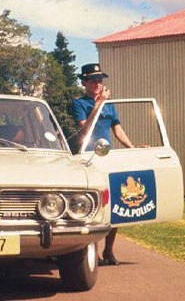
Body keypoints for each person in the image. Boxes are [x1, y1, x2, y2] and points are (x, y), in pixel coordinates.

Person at [71, 63, 134, 266]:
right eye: (93, 80)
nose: (98, 84)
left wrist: (132, 147)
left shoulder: (110, 105)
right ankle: (92, 250)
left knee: (114, 205)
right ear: (84, 83)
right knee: (95, 205)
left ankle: (109, 250)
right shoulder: (79, 103)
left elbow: (118, 130)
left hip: (109, 157)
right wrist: (98, 104)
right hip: (89, 157)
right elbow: (85, 129)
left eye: (100, 80)